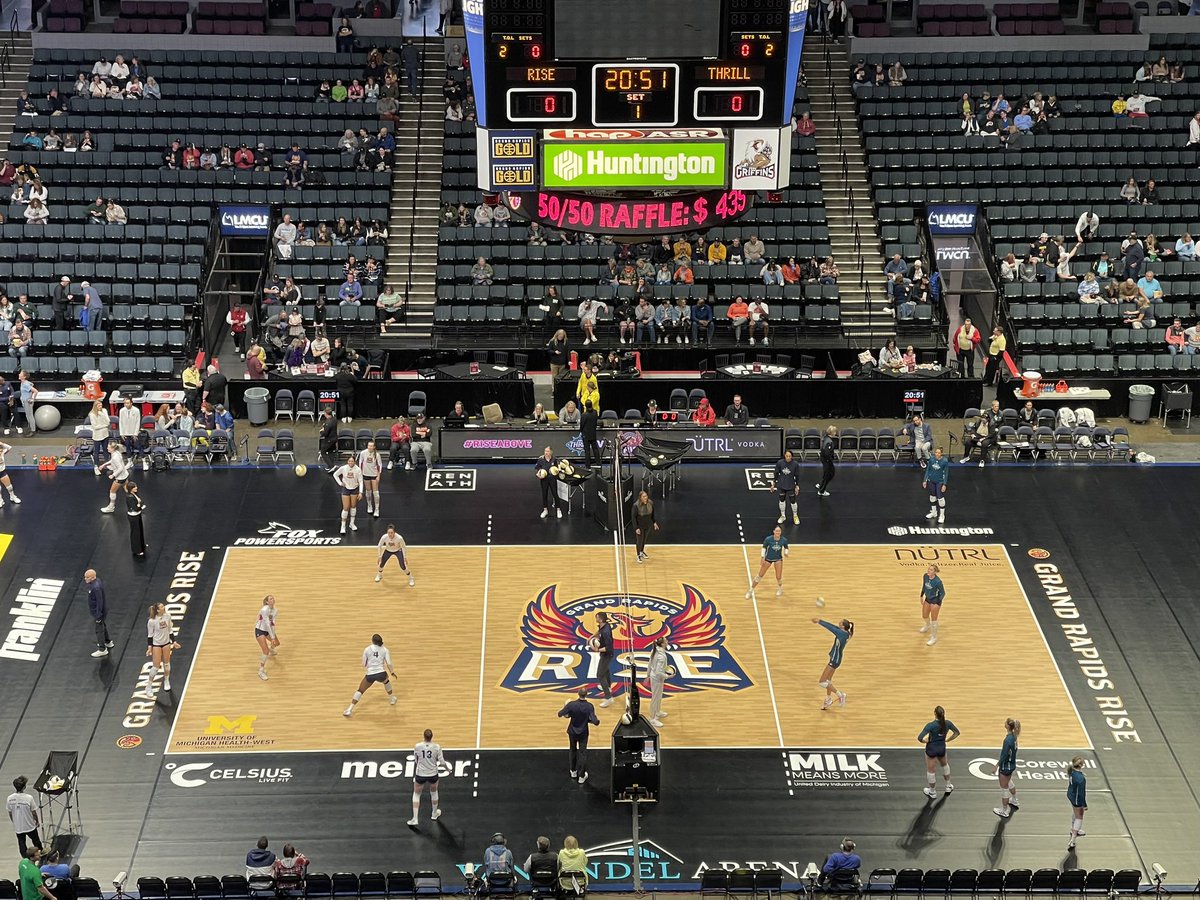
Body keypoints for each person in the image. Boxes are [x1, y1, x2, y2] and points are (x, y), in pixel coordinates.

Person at [344, 633, 398, 716]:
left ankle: (349, 709)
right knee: (386, 681)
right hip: (381, 674)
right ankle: (392, 699)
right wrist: (392, 672)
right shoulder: (385, 650)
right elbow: (389, 663)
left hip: (370, 675)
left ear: (372, 641)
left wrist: (370, 666)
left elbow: (363, 664)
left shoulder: (367, 649)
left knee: (360, 690)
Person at [557, 688, 600, 784]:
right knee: (582, 753)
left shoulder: (571, 705)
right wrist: (595, 721)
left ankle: (573, 771)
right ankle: (581, 776)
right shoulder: (589, 706)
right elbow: (595, 721)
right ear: (586, 694)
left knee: (572, 749)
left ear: (578, 694)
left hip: (572, 731)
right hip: (583, 733)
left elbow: (560, 714)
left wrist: (566, 708)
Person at [918, 706, 960, 798]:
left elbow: (920, 738)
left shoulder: (930, 725)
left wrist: (926, 741)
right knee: (945, 765)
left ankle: (932, 792)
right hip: (941, 748)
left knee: (931, 770)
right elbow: (957, 733)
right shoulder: (948, 723)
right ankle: (948, 786)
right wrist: (948, 740)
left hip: (931, 749)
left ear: (935, 714)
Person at [409, 729, 445, 826]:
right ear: (432, 736)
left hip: (420, 774)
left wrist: (420, 766)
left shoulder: (418, 746)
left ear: (424, 736)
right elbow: (441, 762)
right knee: (434, 792)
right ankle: (434, 813)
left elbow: (416, 759)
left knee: (416, 794)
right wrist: (447, 769)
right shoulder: (437, 747)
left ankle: (415, 818)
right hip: (433, 774)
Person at [146, 601, 179, 693]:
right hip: (156, 644)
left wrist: (174, 641)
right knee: (156, 666)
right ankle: (149, 686)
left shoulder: (167, 616)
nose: (164, 607)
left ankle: (166, 680)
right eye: (162, 607)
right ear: (157, 610)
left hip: (166, 643)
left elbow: (170, 630)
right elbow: (150, 635)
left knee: (167, 663)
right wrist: (149, 648)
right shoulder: (152, 621)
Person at [747, 525, 789, 598]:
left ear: (781, 532)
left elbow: (786, 547)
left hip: (778, 559)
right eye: (776, 531)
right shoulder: (768, 539)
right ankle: (751, 590)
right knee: (759, 575)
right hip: (768, 559)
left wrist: (786, 552)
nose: (778, 532)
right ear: (773, 531)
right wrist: (762, 557)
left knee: (778, 577)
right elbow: (764, 548)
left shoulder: (784, 540)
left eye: (779, 531)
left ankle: (780, 589)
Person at [993, 718, 1022, 818]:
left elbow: (1004, 755)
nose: (1004, 723)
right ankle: (1014, 800)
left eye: (1005, 722)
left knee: (1004, 788)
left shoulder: (1007, 740)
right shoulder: (1014, 736)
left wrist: (997, 765)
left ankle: (1005, 810)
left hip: (1006, 766)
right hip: (1012, 764)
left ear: (1008, 726)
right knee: (1009, 781)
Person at [8, 777, 42, 856]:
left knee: (21, 843)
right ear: (24, 787)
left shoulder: (9, 798)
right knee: (36, 840)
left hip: (18, 827)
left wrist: (14, 821)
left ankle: (25, 857)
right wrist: (36, 821)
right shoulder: (28, 798)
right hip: (29, 825)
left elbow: (10, 812)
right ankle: (40, 853)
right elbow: (33, 812)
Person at [333, 453, 363, 534]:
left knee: (353, 506)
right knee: (346, 508)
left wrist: (360, 492)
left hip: (354, 489)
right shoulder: (343, 468)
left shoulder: (358, 469)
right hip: (346, 489)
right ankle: (343, 525)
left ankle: (352, 523)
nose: (350, 462)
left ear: (354, 462)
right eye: (349, 461)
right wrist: (340, 483)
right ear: (347, 461)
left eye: (352, 461)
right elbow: (335, 474)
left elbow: (360, 481)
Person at [645, 635, 672, 727]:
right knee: (655, 697)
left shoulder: (655, 650)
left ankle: (658, 711)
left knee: (659, 695)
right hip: (657, 678)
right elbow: (658, 671)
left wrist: (647, 675)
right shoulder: (661, 656)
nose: (667, 641)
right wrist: (668, 676)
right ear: (663, 644)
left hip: (656, 677)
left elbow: (650, 664)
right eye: (666, 640)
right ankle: (652, 718)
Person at [99, 440, 130, 513]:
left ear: (112, 449)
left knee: (112, 492)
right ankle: (138, 503)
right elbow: (112, 461)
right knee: (128, 491)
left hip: (120, 478)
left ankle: (111, 507)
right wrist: (104, 465)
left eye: (108, 447)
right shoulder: (116, 453)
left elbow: (120, 468)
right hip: (125, 475)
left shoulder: (115, 456)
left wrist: (113, 475)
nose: (107, 448)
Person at [919, 563, 946, 645]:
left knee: (934, 620)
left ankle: (934, 638)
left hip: (935, 601)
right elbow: (924, 586)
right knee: (924, 615)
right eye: (928, 569)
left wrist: (937, 602)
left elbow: (943, 593)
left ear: (935, 572)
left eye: (931, 570)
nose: (928, 570)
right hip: (927, 599)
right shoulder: (925, 576)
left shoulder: (938, 581)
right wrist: (921, 596)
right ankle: (927, 625)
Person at [254, 595, 280, 681]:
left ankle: (271, 649)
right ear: (267, 602)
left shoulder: (276, 610)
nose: (273, 599)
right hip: (260, 630)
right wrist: (272, 637)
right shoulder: (264, 610)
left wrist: (273, 636)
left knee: (277, 643)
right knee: (265, 651)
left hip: (268, 631)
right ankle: (261, 671)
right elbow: (267, 623)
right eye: (270, 598)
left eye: (273, 598)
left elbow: (272, 624)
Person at [593, 611, 615, 707]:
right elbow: (599, 631)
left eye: (597, 617)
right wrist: (591, 637)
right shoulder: (604, 625)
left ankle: (608, 697)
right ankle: (608, 687)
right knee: (605, 670)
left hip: (607, 654)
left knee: (600, 674)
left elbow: (608, 647)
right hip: (605, 654)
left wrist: (597, 650)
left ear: (601, 620)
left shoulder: (606, 632)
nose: (596, 619)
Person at [535, 446, 562, 520]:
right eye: (545, 451)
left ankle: (558, 510)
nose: (546, 453)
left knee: (555, 494)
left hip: (552, 479)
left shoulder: (554, 459)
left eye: (547, 451)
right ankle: (545, 510)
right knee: (544, 494)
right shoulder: (540, 459)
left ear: (551, 452)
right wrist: (538, 474)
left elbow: (558, 469)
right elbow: (538, 469)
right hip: (544, 480)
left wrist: (557, 471)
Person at [923, 446, 949, 525]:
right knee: (932, 496)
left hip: (939, 482)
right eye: (936, 452)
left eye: (939, 453)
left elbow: (946, 473)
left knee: (940, 497)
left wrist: (944, 484)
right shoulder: (931, 459)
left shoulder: (945, 461)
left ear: (941, 454)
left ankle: (942, 515)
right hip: (931, 481)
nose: (937, 454)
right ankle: (934, 512)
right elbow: (928, 469)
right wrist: (925, 480)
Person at [1066, 755, 1088, 849]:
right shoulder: (1081, 779)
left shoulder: (1072, 771)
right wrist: (1084, 805)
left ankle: (1074, 829)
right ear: (1081, 765)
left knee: (1075, 813)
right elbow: (1081, 794)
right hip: (1076, 799)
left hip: (1071, 795)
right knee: (1079, 817)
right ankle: (1073, 839)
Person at [632, 489, 658, 562]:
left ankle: (641, 551)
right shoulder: (636, 506)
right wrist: (636, 528)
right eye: (644, 496)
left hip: (648, 524)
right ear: (640, 497)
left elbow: (652, 514)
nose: (646, 497)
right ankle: (638, 555)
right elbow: (633, 517)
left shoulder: (651, 503)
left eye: (646, 496)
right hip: (640, 525)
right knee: (639, 540)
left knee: (644, 540)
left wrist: (654, 522)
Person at [359, 440, 383, 517]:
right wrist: (360, 474)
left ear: (374, 447)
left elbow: (380, 465)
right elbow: (360, 463)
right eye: (369, 446)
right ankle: (369, 505)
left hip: (374, 474)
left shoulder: (377, 455)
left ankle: (377, 509)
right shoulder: (363, 453)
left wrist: (378, 475)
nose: (370, 447)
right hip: (366, 474)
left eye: (371, 446)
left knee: (375, 492)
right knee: (368, 491)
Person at [124, 481, 146, 557]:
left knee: (140, 530)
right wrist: (141, 506)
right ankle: (137, 550)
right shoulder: (129, 497)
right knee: (135, 533)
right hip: (133, 516)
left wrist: (139, 505)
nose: (136, 488)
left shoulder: (134, 494)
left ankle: (142, 545)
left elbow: (140, 501)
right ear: (131, 489)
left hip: (138, 515)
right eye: (134, 487)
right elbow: (135, 508)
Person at [817, 425, 837, 497]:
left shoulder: (825, 437)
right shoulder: (829, 441)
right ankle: (821, 490)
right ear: (832, 432)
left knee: (828, 474)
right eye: (835, 432)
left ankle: (821, 486)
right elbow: (826, 452)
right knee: (828, 475)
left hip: (825, 460)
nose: (835, 433)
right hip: (827, 460)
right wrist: (830, 459)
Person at [579, 401, 601, 468]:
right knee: (595, 449)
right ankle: (598, 463)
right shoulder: (595, 412)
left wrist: (581, 430)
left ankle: (588, 465)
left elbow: (581, 425)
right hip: (593, 433)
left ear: (585, 406)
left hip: (586, 434)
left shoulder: (584, 415)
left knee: (587, 450)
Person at [0, 441, 19, 506]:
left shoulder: (2, 452)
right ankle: (1, 500)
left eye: (1, 450)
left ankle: (12, 496)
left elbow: (9, 447)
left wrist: (1, 443)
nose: (0, 452)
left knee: (9, 487)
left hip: (2, 473)